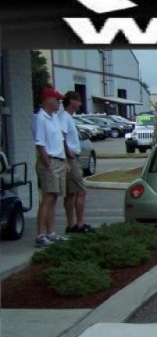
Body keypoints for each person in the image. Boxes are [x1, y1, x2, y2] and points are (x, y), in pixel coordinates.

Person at [33, 87, 68, 247]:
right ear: (48, 100)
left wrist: (64, 161)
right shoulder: (40, 118)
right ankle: (40, 235)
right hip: (50, 162)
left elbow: (60, 140)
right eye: (57, 100)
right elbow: (40, 144)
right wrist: (48, 164)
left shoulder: (54, 117)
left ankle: (51, 232)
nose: (59, 102)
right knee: (47, 198)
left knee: (54, 198)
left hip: (59, 160)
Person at [59, 91, 94, 233]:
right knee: (81, 191)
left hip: (71, 158)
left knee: (71, 193)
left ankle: (71, 224)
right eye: (79, 101)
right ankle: (79, 224)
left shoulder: (67, 117)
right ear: (72, 101)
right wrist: (68, 152)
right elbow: (62, 136)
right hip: (71, 159)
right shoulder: (64, 117)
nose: (80, 104)